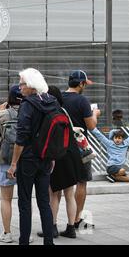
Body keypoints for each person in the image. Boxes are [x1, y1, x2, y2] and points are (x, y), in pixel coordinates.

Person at [7, 68, 57, 246]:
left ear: (30, 85)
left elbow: (21, 137)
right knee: (44, 201)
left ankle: (24, 242)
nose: (19, 87)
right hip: (45, 158)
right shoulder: (52, 101)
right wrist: (51, 156)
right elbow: (54, 133)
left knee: (25, 203)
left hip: (28, 159)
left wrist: (13, 164)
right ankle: (49, 242)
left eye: (21, 83)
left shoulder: (27, 104)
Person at [37, 85, 85, 239]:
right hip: (71, 155)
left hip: (56, 157)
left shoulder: (48, 112)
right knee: (69, 194)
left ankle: (52, 227)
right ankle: (71, 228)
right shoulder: (64, 111)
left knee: (53, 194)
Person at [61, 70, 100, 230]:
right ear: (81, 84)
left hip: (62, 146)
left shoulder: (59, 98)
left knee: (62, 185)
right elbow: (91, 126)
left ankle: (55, 223)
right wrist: (95, 113)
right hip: (80, 147)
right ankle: (77, 218)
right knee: (81, 182)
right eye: (85, 84)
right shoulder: (82, 100)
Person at [0, 85, 22, 243]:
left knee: (6, 199)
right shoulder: (31, 114)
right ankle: (25, 233)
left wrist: (0, 111)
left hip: (6, 160)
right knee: (25, 199)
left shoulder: (3, 114)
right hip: (26, 160)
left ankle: (7, 233)